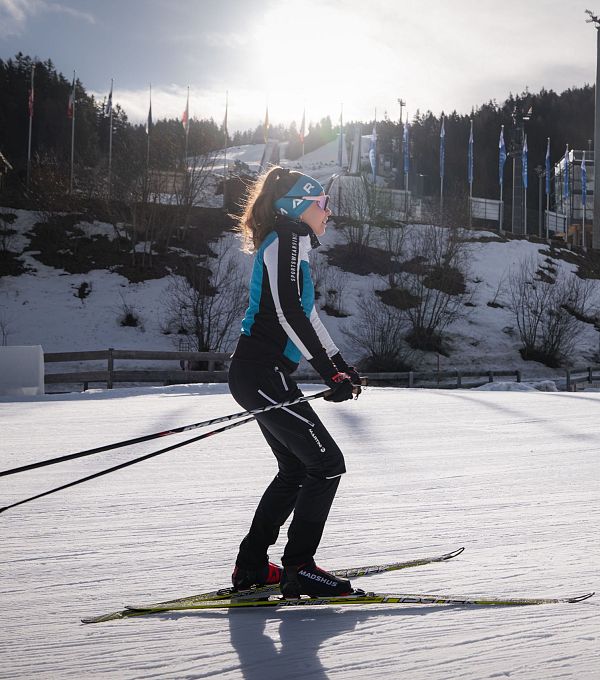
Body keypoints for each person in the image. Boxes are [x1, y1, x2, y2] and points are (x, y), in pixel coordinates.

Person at [228, 166, 362, 598]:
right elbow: (289, 313)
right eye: (322, 203)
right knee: (326, 464)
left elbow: (305, 315)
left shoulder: (291, 242)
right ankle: (300, 567)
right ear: (297, 206)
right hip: (261, 373)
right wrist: (329, 372)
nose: (329, 211)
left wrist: (340, 364)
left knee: (295, 469)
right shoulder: (287, 239)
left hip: (261, 374)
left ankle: (251, 567)